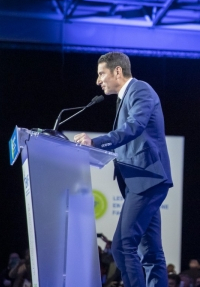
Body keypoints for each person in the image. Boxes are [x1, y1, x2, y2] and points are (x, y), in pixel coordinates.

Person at [74, 52, 173, 287]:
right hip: (140, 182)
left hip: (147, 179)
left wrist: (95, 142)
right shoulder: (124, 98)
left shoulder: (140, 90)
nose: (98, 81)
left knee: (122, 245)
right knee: (150, 251)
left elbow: (134, 127)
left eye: (101, 74)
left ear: (117, 71)